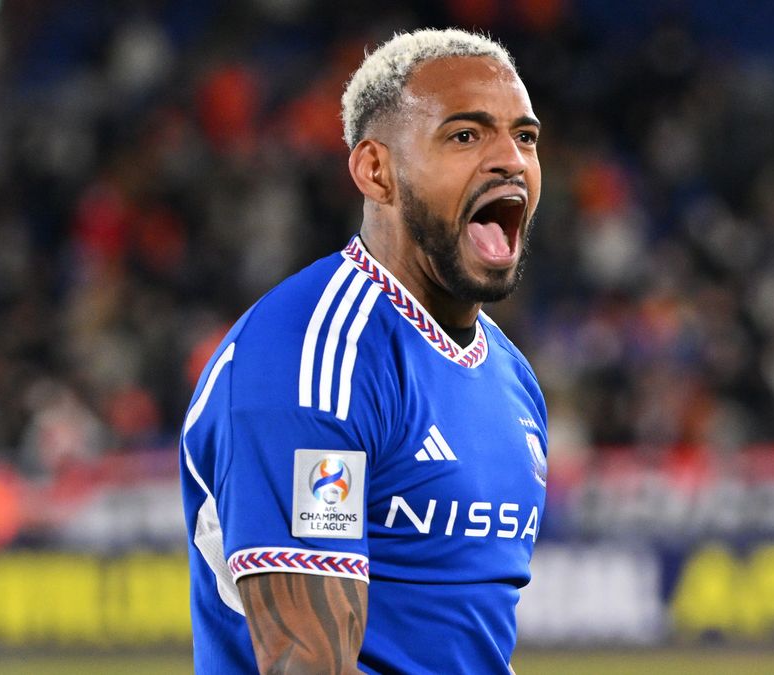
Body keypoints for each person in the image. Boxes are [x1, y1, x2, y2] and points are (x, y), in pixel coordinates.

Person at [180, 28, 548, 674]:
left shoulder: (514, 382)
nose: (510, 160)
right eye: (466, 135)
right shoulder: (309, 360)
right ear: (376, 171)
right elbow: (307, 663)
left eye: (524, 136)